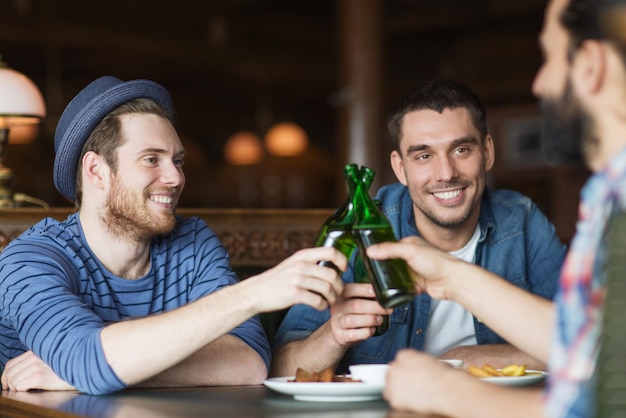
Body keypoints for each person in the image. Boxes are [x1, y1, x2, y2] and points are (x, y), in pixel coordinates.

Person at [0, 76, 347, 395]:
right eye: (152, 159)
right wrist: (253, 292)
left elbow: (249, 363)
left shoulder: (192, 242)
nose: (176, 177)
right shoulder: (28, 261)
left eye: (177, 161)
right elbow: (86, 361)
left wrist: (86, 374)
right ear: (96, 170)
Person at [365, 0, 626, 416]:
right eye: (423, 156)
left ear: (590, 65)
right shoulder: (608, 193)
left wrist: (448, 392)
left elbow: (603, 397)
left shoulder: (601, 202)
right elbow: (591, 346)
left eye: (550, 57)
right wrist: (450, 276)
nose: (539, 84)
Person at [271, 79, 566, 377]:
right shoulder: (361, 227)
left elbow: (585, 343)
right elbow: (282, 367)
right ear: (400, 168)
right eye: (424, 156)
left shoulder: (522, 221)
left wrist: (463, 361)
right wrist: (333, 335)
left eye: (461, 150)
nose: (446, 173)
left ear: (487, 152)